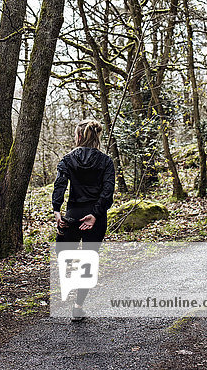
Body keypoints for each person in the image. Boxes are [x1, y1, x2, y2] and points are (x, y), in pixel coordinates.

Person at [52, 119, 115, 321]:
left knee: (64, 253)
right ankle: (78, 306)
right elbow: (108, 192)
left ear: (79, 136)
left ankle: (74, 290)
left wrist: (57, 209)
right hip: (95, 217)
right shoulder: (106, 161)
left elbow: (60, 184)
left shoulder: (68, 159)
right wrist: (95, 214)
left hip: (73, 214)